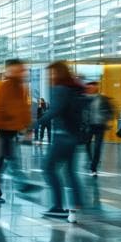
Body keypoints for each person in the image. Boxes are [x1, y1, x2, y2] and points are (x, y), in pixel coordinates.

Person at [36, 61, 85, 222]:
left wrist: (36, 123)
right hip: (73, 135)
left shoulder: (60, 89)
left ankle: (58, 207)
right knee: (70, 171)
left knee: (48, 167)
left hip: (62, 135)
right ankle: (77, 202)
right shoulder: (75, 89)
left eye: (51, 73)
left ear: (57, 73)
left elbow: (55, 110)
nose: (50, 77)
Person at [0, 59, 33, 203]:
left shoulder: (21, 88)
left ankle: (0, 191)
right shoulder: (5, 86)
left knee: (2, 162)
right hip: (2, 130)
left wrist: (27, 126)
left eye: (23, 69)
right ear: (11, 70)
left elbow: (23, 109)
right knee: (4, 161)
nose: (22, 72)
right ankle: (17, 185)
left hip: (11, 130)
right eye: (19, 69)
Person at [84, 82, 115, 177]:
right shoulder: (85, 99)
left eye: (92, 87)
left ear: (96, 87)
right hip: (89, 126)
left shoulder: (103, 99)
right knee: (87, 143)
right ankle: (91, 159)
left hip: (100, 126)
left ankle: (94, 168)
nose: (91, 88)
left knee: (97, 147)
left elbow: (110, 111)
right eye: (89, 87)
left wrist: (106, 119)